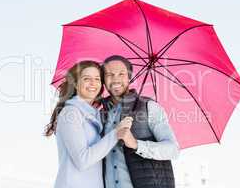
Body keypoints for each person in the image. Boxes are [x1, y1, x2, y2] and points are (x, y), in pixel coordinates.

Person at [45, 60, 133, 188]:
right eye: (87, 78)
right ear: (75, 83)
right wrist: (116, 133)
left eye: (97, 79)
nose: (93, 83)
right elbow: (83, 160)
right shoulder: (71, 113)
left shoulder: (94, 115)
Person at [101, 55, 180, 188]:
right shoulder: (101, 115)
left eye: (121, 74)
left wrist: (136, 144)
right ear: (103, 79)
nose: (115, 79)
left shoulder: (148, 106)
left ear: (129, 77)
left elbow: (173, 150)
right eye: (109, 74)